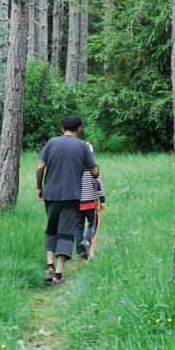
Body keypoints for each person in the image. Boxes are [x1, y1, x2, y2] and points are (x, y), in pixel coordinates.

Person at [36, 115, 98, 286]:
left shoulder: (51, 143)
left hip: (51, 194)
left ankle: (49, 267)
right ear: (79, 129)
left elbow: (40, 167)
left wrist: (39, 187)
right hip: (71, 195)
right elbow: (94, 171)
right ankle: (58, 275)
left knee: (51, 228)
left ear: (62, 129)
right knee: (65, 232)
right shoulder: (82, 146)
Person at [74, 141, 106, 260]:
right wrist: (102, 200)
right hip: (90, 203)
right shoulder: (93, 168)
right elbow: (98, 185)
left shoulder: (75, 168)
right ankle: (86, 241)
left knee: (78, 227)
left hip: (77, 203)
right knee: (93, 224)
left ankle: (79, 253)